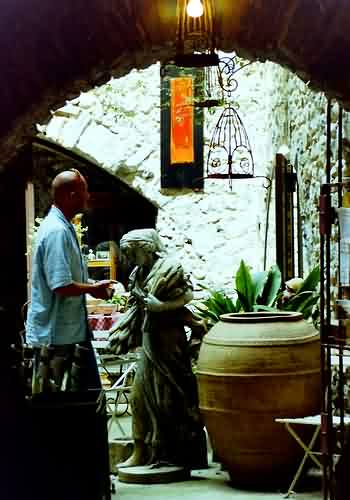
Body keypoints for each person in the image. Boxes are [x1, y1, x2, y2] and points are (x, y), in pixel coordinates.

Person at [108, 228, 207, 469]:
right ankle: (141, 449)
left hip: (169, 339)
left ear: (148, 247)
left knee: (169, 397)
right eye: (128, 253)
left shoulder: (170, 268)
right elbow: (135, 303)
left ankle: (172, 453)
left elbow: (188, 295)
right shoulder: (137, 273)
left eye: (134, 251)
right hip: (148, 338)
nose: (130, 257)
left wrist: (162, 306)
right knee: (139, 397)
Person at [26, 169, 114, 391]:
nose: (88, 196)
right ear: (71, 195)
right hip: (58, 340)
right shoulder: (56, 231)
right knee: (66, 410)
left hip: (69, 334)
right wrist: (93, 289)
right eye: (84, 191)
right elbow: (61, 286)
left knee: (84, 405)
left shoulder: (63, 226)